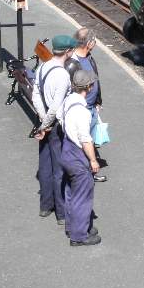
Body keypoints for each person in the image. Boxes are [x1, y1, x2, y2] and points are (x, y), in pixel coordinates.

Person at [34, 35, 77, 221]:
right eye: (72, 50)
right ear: (67, 52)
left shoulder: (43, 67)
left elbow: (36, 94)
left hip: (44, 120)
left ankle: (45, 206)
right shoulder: (63, 75)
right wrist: (46, 125)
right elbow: (56, 106)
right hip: (55, 126)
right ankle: (61, 213)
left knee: (44, 166)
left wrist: (42, 119)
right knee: (59, 169)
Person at [59, 69, 102, 247]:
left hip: (66, 149)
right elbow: (85, 139)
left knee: (71, 192)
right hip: (77, 155)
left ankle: (74, 226)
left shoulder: (68, 100)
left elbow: (59, 117)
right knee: (83, 196)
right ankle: (79, 236)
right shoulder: (83, 112)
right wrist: (93, 160)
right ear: (89, 87)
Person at [70, 27, 107, 180]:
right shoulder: (72, 63)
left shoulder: (89, 57)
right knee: (82, 142)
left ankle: (88, 171)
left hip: (92, 107)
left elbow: (95, 79)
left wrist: (98, 100)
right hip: (81, 109)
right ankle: (84, 174)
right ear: (89, 43)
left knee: (89, 140)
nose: (95, 43)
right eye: (94, 41)